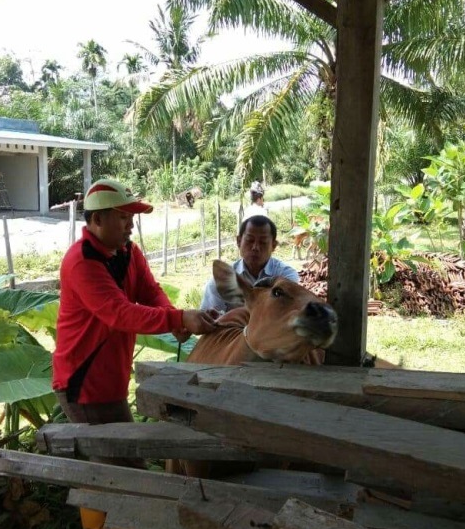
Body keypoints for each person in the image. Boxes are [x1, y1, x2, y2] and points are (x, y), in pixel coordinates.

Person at [52, 178, 217, 425]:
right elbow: (120, 314)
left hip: (110, 381)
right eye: (123, 217)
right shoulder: (81, 261)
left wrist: (174, 318)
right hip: (85, 383)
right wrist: (179, 318)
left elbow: (149, 291)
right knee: (120, 462)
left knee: (123, 460)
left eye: (131, 216)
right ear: (97, 220)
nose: (131, 224)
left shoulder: (128, 251)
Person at [200, 215, 299, 313]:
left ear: (273, 246)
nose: (255, 247)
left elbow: (285, 316)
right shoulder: (222, 279)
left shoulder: (286, 276)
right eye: (250, 241)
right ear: (239, 241)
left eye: (263, 242)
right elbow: (210, 321)